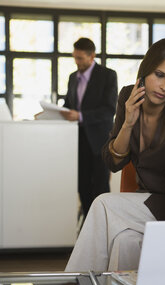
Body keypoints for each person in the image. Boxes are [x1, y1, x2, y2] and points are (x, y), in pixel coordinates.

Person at [65, 38, 165, 273]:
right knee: (123, 243)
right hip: (150, 203)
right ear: (146, 70)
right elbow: (113, 162)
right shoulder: (128, 95)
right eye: (159, 74)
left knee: (103, 204)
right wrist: (127, 123)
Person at [61, 37, 118, 219]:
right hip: (77, 141)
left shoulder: (108, 75)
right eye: (74, 58)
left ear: (91, 56)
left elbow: (110, 109)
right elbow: (69, 104)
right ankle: (88, 224)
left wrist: (81, 115)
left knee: (100, 186)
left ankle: (103, 224)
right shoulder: (72, 78)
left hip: (100, 141)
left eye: (80, 58)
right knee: (82, 185)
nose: (76, 62)